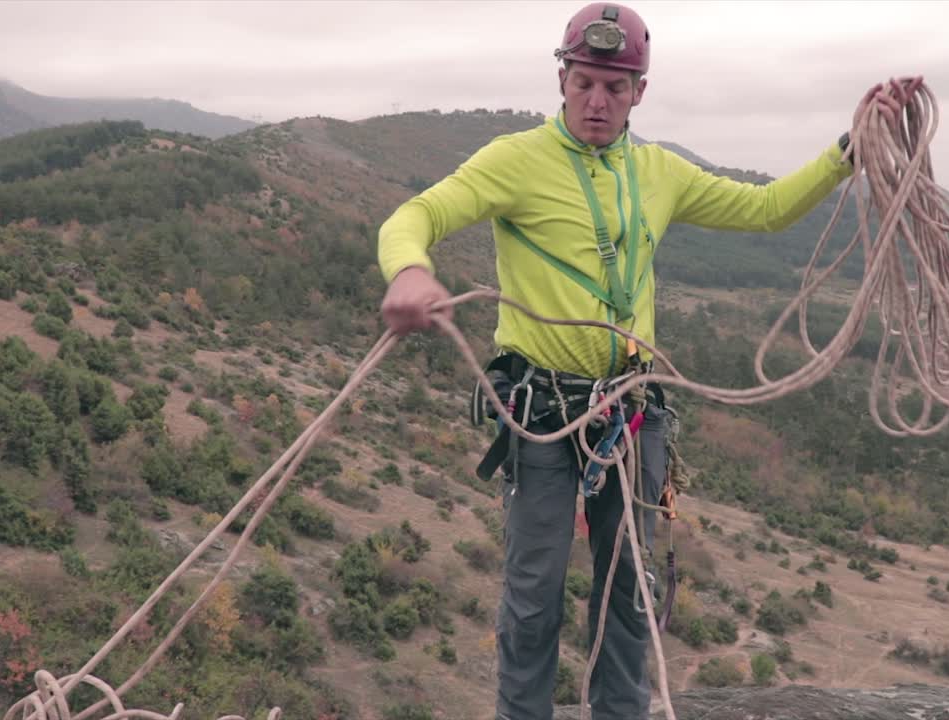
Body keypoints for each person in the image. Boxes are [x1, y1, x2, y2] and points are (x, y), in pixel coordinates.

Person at [377, 4, 920, 718]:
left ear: (640, 92)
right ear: (563, 80)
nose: (597, 102)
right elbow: (414, 216)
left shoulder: (657, 172)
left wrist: (851, 148)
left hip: (630, 414)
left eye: (616, 87)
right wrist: (409, 270)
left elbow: (765, 210)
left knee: (627, 594)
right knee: (535, 598)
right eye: (585, 84)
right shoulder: (516, 161)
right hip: (542, 410)